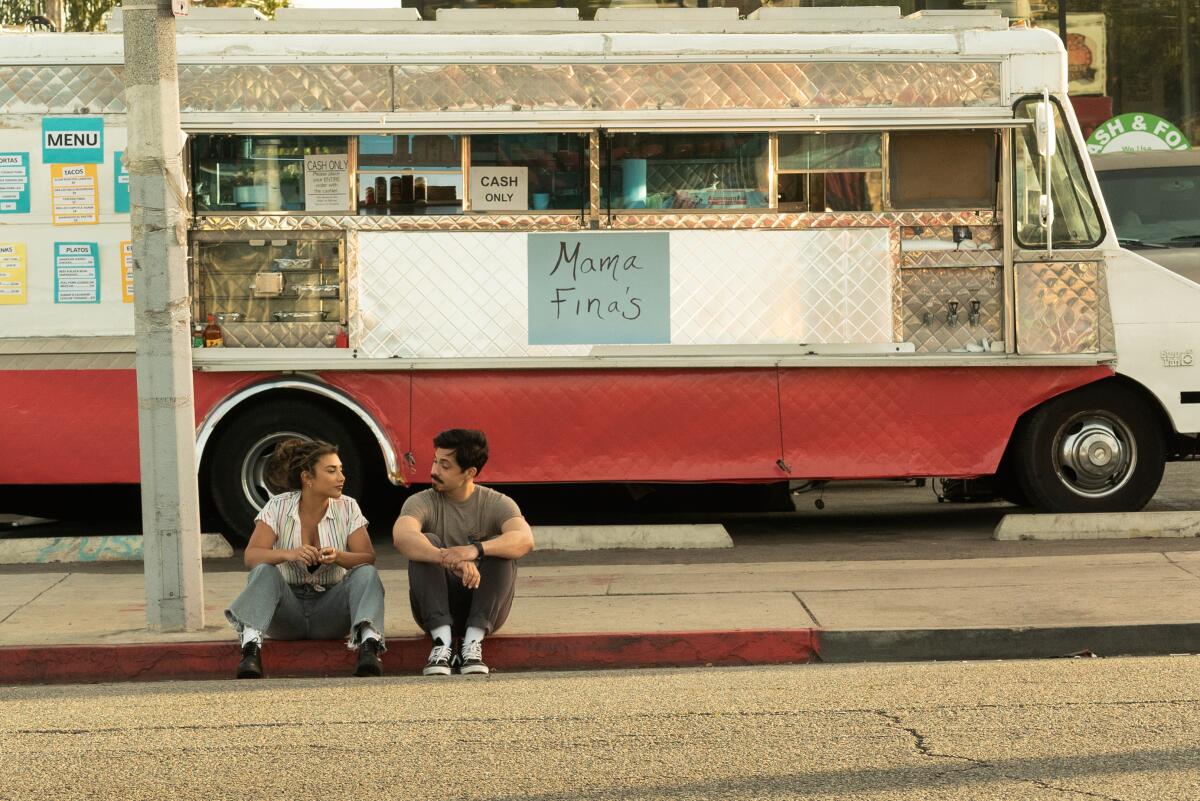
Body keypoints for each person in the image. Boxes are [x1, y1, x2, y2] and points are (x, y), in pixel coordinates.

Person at [224, 438, 386, 679]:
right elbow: (251, 556)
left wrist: (339, 556)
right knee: (263, 570)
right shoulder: (277, 507)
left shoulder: (348, 507)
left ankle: (369, 649)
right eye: (331, 471)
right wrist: (289, 553)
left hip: (330, 612)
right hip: (287, 614)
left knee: (366, 573)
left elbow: (367, 558)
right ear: (307, 478)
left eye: (341, 470)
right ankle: (250, 652)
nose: (341, 477)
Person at [393, 428, 534, 676]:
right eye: (436, 460)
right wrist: (447, 558)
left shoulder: (496, 502)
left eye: (445, 465)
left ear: (470, 473)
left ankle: (472, 643)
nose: (434, 470)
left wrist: (474, 550)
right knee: (426, 542)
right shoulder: (421, 501)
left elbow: (524, 539)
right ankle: (442, 643)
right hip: (433, 605)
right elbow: (402, 537)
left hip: (485, 606)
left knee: (501, 549)